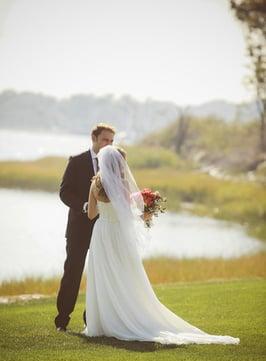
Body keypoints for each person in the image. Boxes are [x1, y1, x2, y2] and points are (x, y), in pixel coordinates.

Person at [82, 145, 240, 345]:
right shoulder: (121, 185)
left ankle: (103, 323)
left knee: (104, 276)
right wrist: (144, 215)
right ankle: (124, 317)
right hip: (117, 234)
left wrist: (104, 210)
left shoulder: (94, 184)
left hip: (101, 232)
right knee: (125, 274)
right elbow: (126, 215)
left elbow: (90, 215)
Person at [54, 124, 115, 331]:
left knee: (99, 274)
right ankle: (62, 319)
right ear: (94, 138)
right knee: (72, 271)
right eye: (106, 140)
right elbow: (64, 192)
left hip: (103, 229)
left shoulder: (113, 165)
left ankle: (92, 320)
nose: (109, 144)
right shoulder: (77, 161)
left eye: (112, 141)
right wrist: (84, 205)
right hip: (78, 229)